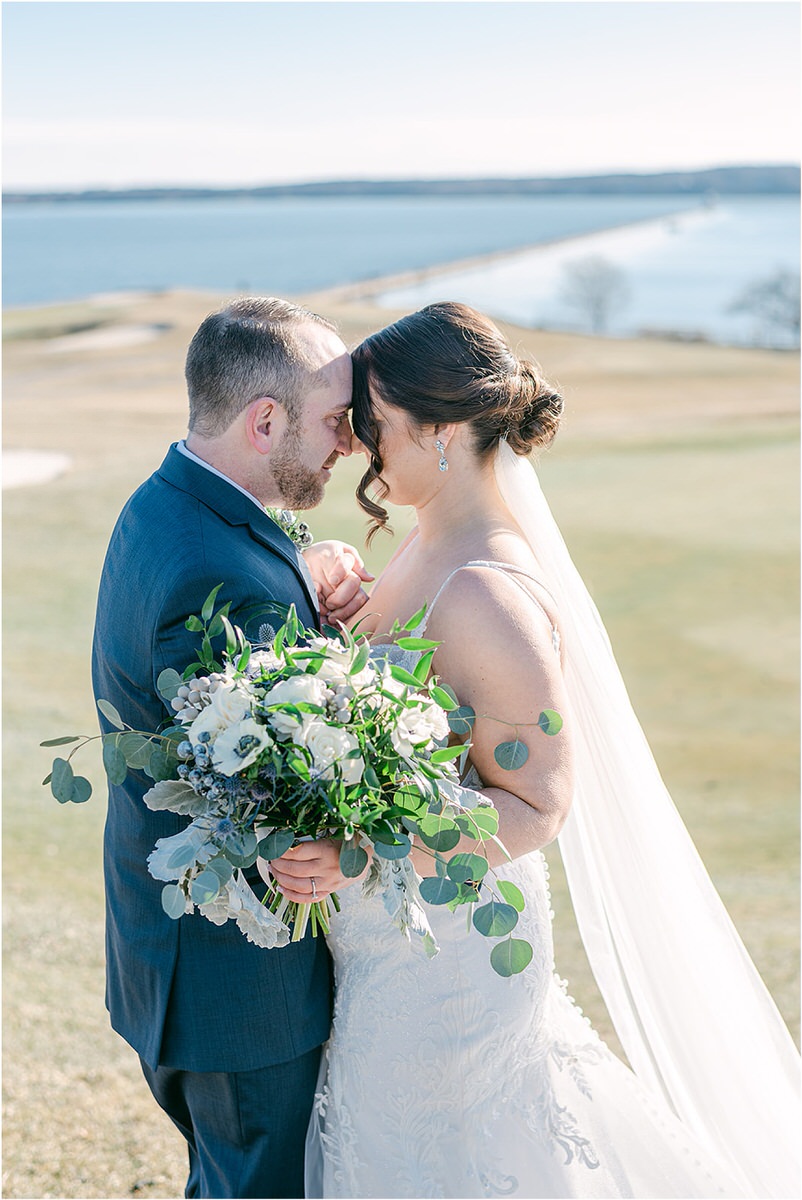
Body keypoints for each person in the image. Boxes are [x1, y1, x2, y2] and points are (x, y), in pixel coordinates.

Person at [292, 302, 800, 1199]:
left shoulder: (486, 590)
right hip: (392, 945)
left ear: (441, 429)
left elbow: (536, 806)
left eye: (374, 418)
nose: (359, 441)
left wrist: (363, 849)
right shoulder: (428, 542)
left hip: (452, 958)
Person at [91, 296, 372, 1199]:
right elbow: (263, 789)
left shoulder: (169, 502)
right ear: (265, 421)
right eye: (335, 420)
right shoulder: (215, 573)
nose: (348, 444)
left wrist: (302, 573)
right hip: (236, 991)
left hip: (173, 955)